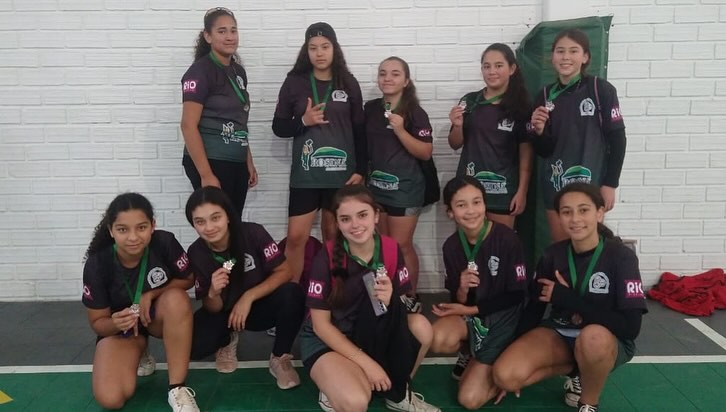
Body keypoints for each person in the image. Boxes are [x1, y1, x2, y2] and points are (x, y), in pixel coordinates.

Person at [492, 183, 647, 412]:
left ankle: (588, 402)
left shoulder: (621, 257)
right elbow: (534, 309)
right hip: (561, 331)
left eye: (583, 210)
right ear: (559, 217)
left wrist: (569, 299)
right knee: (506, 376)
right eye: (567, 212)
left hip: (604, 339)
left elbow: (630, 328)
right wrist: (509, 353)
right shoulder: (552, 255)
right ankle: (577, 370)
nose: (575, 219)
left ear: (599, 213)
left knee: (593, 338)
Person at [300, 184, 440, 412]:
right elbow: (321, 327)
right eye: (345, 219)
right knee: (356, 401)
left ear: (376, 215)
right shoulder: (325, 257)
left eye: (362, 215)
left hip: (370, 330)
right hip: (329, 338)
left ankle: (398, 393)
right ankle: (334, 384)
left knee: (421, 328)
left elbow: (398, 312)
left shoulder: (391, 249)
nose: (355, 224)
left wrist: (390, 299)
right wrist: (368, 364)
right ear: (337, 223)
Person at [82, 193, 199, 412]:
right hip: (124, 330)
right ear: (111, 230)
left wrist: (153, 293)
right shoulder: (98, 263)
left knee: (177, 299)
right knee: (110, 399)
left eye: (141, 227)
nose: (133, 237)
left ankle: (177, 388)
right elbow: (98, 323)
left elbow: (189, 278)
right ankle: (139, 350)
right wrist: (116, 323)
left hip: (156, 316)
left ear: (153, 225)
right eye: (122, 229)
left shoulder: (164, 242)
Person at [272, 22, 367, 284]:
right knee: (296, 237)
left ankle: (336, 292)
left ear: (334, 49)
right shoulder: (295, 83)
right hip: (306, 176)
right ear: (306, 51)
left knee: (334, 235)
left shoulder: (348, 83)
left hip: (341, 176)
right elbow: (278, 127)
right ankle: (291, 295)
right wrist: (303, 121)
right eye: (313, 48)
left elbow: (360, 130)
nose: (319, 53)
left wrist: (362, 169)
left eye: (325, 46)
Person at [185, 186, 304, 390]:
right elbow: (211, 307)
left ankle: (279, 357)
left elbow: (285, 272)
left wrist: (249, 296)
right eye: (200, 222)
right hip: (224, 313)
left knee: (292, 294)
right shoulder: (196, 252)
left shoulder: (253, 233)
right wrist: (213, 292)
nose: (209, 227)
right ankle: (227, 340)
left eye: (215, 218)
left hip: (257, 307)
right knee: (193, 348)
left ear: (228, 216)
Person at [429, 176, 528, 409]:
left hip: (505, 318)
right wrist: (462, 288)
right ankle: (470, 351)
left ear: (485, 204)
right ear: (450, 212)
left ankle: (504, 367)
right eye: (461, 205)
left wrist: (470, 309)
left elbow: (517, 295)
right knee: (438, 337)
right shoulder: (451, 246)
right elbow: (457, 299)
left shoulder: (507, 239)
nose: (471, 211)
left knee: (469, 400)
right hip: (476, 317)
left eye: (477, 202)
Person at [529, 29, 626, 242]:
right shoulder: (544, 95)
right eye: (560, 51)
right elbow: (544, 150)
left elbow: (618, 140)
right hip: (556, 185)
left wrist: (611, 184)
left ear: (585, 57)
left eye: (573, 51)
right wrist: (539, 131)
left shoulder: (601, 90)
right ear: (552, 56)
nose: (566, 57)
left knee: (588, 247)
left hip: (591, 184)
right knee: (561, 248)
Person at [365, 56, 433, 311]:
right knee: (382, 245)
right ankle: (387, 296)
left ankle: (410, 296)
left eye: (395, 74)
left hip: (405, 190)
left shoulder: (415, 112)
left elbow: (425, 152)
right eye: (383, 73)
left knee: (401, 245)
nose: (388, 78)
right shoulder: (370, 109)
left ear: (406, 81)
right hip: (375, 188)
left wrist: (401, 130)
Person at [181, 7, 258, 216]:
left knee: (234, 224)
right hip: (213, 160)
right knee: (217, 223)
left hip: (236, 160)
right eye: (222, 31)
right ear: (208, 36)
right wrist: (206, 174)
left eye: (233, 30)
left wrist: (248, 160)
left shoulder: (237, 71)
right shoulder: (200, 71)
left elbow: (238, 120)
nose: (230, 37)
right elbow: (188, 125)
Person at [448, 43, 533, 229]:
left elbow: (526, 154)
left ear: (512, 69)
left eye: (498, 65)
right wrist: (457, 126)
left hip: (503, 190)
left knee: (500, 243)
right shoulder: (470, 101)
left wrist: (522, 191)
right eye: (486, 66)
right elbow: (454, 144)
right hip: (469, 188)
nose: (492, 71)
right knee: (468, 242)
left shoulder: (522, 106)